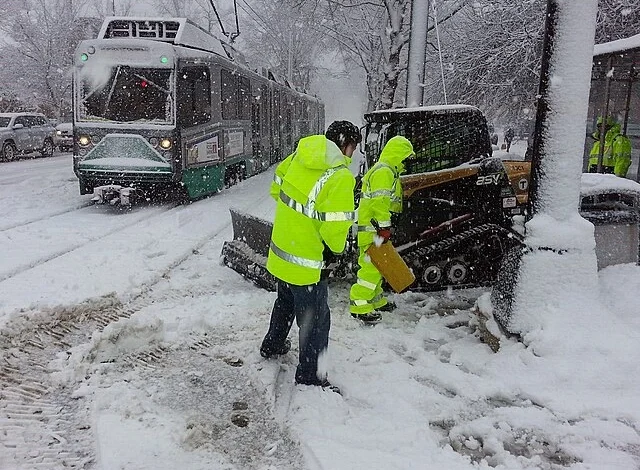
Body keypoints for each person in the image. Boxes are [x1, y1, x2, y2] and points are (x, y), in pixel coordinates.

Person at [259, 120, 360, 393]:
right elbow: (335, 229)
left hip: (282, 251)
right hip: (307, 263)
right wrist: (337, 251)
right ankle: (310, 376)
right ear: (346, 145)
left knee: (285, 302)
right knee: (315, 320)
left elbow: (275, 190)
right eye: (353, 148)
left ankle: (273, 345)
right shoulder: (340, 177)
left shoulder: (298, 155)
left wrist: (298, 222)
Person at [349, 135, 415, 324]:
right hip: (374, 230)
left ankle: (376, 300)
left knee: (378, 266)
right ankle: (359, 304)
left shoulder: (387, 170)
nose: (406, 162)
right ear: (397, 155)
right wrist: (384, 227)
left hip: (375, 229)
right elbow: (380, 202)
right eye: (405, 157)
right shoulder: (384, 171)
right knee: (370, 268)